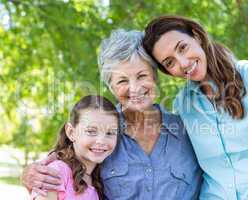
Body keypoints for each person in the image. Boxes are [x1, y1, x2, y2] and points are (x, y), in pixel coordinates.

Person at [22, 29, 202, 199]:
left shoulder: (189, 130)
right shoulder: (99, 134)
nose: (135, 88)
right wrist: (28, 174)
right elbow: (57, 168)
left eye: (142, 76)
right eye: (123, 80)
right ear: (111, 88)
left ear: (155, 77)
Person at [142, 15, 248, 199]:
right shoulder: (182, 105)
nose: (183, 63)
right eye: (170, 62)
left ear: (197, 36)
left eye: (183, 47)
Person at [30, 95, 118, 200]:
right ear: (71, 132)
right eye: (91, 131)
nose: (101, 141)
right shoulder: (57, 171)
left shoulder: (100, 178)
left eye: (110, 133)